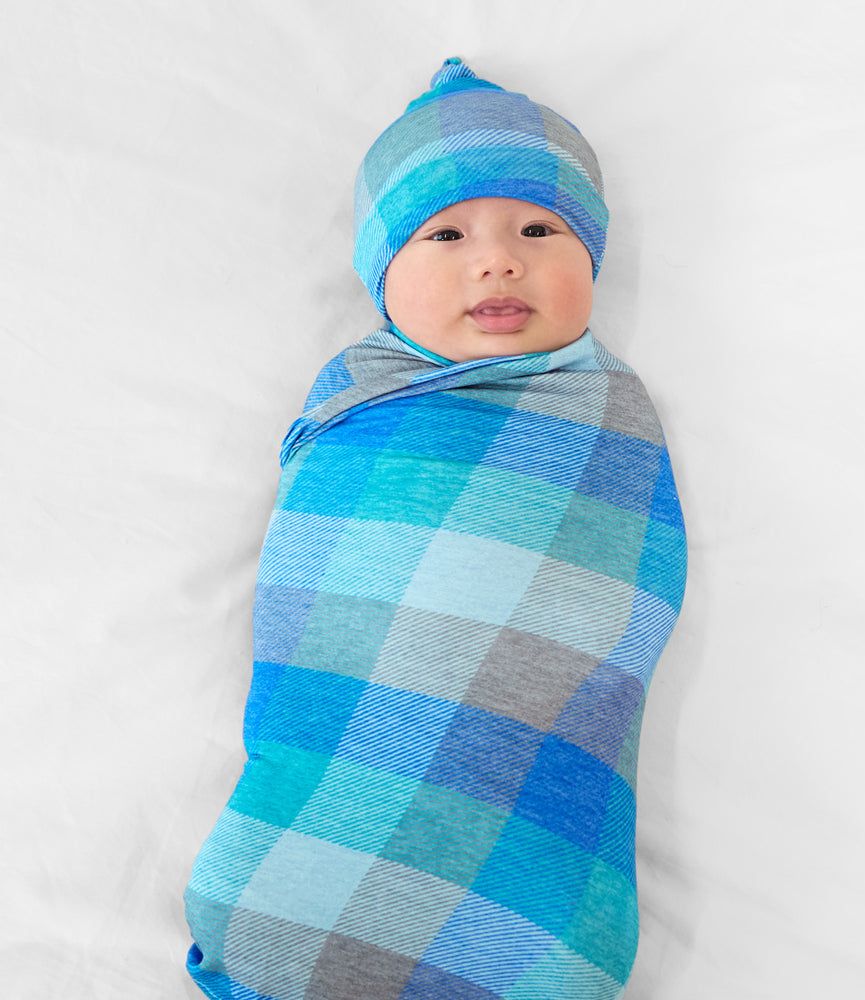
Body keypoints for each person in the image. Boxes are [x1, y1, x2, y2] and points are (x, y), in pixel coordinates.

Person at [184, 58, 687, 1000]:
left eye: (540, 229)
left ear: (591, 260)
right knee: (310, 837)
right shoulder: (360, 401)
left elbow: (610, 595)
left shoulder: (603, 410)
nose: (497, 260)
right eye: (445, 232)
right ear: (381, 273)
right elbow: (324, 579)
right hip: (351, 735)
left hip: (523, 769)